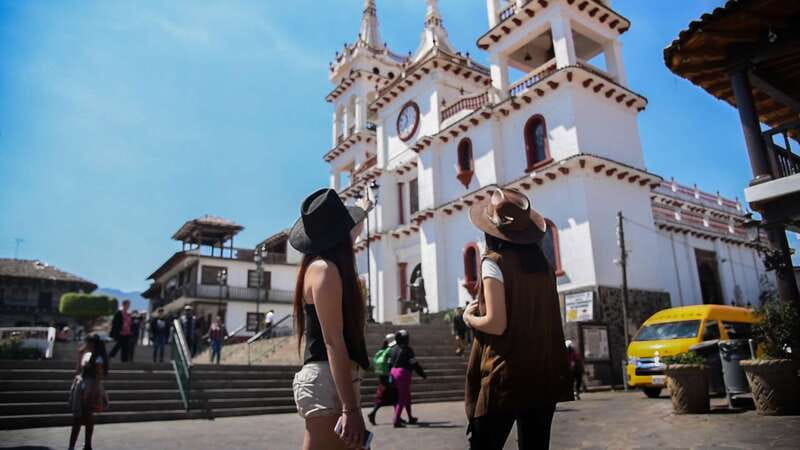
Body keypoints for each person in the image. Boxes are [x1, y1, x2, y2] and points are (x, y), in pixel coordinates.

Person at [463, 187, 573, 450]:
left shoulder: (494, 262)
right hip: (544, 375)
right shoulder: (544, 267)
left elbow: (496, 323)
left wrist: (469, 318)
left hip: (506, 376)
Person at [289, 188, 371, 450]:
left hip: (333, 378)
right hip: (327, 381)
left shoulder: (318, 266)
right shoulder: (325, 270)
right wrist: (351, 409)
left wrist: (365, 208)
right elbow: (333, 341)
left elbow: (352, 230)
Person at [68, 333, 109, 450]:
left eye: (87, 342)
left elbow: (99, 376)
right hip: (83, 385)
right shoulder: (87, 355)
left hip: (90, 387)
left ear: (92, 343)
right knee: (80, 417)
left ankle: (85, 444)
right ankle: (77, 445)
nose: (85, 344)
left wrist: (90, 392)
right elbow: (78, 370)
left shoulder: (98, 357)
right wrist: (79, 354)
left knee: (85, 417)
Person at [389, 329, 427, 428]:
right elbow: (414, 363)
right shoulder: (407, 349)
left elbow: (389, 363)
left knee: (406, 396)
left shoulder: (393, 349)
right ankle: (396, 420)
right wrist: (422, 374)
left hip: (393, 373)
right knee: (401, 398)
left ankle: (410, 417)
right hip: (403, 374)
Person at [367, 333, 398, 425]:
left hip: (382, 376)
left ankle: (397, 416)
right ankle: (373, 414)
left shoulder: (381, 351)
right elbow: (391, 364)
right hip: (388, 377)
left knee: (387, 397)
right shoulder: (390, 351)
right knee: (394, 397)